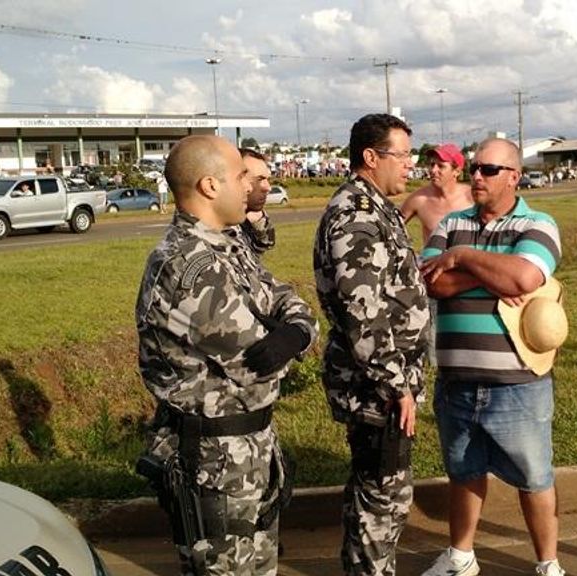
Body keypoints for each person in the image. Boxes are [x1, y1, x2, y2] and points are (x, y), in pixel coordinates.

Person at [136, 134, 318, 576]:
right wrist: (291, 336)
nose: (250, 185)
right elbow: (257, 362)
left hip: (252, 448)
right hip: (214, 460)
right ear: (210, 186)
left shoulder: (229, 244)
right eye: (240, 176)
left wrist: (296, 331)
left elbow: (287, 299)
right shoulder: (185, 266)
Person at [419, 137, 565, 576]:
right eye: (474, 168)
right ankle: (461, 557)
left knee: (534, 478)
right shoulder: (450, 223)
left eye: (488, 169)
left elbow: (524, 277)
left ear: (514, 177)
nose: (476, 176)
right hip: (457, 381)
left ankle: (548, 564)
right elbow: (430, 283)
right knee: (464, 472)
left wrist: (462, 257)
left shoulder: (538, 224)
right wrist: (494, 272)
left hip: (517, 384)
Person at [313, 113, 431, 576]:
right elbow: (362, 314)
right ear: (371, 156)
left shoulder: (376, 207)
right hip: (375, 388)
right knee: (382, 501)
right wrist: (396, 386)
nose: (410, 165)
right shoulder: (357, 216)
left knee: (378, 495)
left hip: (382, 382)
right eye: (402, 155)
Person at [400, 143, 473, 244]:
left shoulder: (472, 196)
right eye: (432, 165)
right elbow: (391, 228)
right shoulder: (419, 199)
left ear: (456, 171)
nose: (433, 170)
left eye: (441, 166)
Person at [239, 148, 276, 258]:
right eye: (259, 179)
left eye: (267, 180)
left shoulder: (251, 215)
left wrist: (257, 220)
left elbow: (266, 243)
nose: (268, 188)